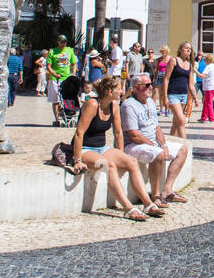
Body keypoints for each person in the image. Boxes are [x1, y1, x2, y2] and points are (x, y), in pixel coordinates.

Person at [72, 77, 165, 221]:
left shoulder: (114, 105)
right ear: (109, 92)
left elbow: (118, 132)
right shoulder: (92, 104)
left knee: (132, 162)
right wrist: (77, 159)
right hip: (85, 148)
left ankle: (148, 204)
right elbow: (79, 133)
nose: (122, 91)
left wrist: (121, 154)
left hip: (101, 147)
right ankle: (128, 208)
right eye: (118, 89)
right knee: (108, 165)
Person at [119, 74, 190, 203]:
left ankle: (167, 190)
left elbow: (156, 127)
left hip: (151, 143)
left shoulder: (150, 102)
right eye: (147, 85)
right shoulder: (128, 106)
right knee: (158, 154)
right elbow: (134, 134)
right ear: (135, 88)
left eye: (151, 84)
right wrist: (154, 146)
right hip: (133, 145)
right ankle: (155, 195)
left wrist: (163, 145)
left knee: (182, 150)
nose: (151, 87)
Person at [164, 42, 198, 137]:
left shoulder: (190, 65)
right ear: (180, 49)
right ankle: (185, 146)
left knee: (176, 123)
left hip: (184, 96)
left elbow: (191, 84)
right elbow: (166, 78)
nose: (188, 50)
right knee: (181, 120)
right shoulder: (174, 61)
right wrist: (165, 97)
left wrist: (195, 98)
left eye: (190, 49)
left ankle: (170, 144)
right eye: (186, 48)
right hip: (173, 94)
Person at [46, 36, 80, 123]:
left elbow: (73, 63)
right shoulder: (52, 52)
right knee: (56, 99)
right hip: (55, 78)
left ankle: (67, 114)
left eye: (64, 42)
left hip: (66, 78)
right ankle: (57, 119)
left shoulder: (69, 50)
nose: (63, 44)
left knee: (66, 97)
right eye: (61, 42)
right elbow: (49, 67)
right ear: (58, 42)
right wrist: (55, 74)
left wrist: (73, 73)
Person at [199, 53, 214, 123]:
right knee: (206, 102)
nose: (204, 61)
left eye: (205, 59)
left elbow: (202, 76)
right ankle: (204, 117)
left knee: (208, 103)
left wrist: (195, 71)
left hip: (209, 87)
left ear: (207, 60)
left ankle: (211, 118)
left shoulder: (208, 67)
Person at [153, 46, 171, 114]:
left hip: (167, 76)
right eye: (162, 51)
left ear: (167, 52)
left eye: (164, 51)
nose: (163, 53)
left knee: (166, 94)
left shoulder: (170, 59)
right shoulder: (158, 59)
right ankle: (161, 109)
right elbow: (156, 69)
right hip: (160, 76)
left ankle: (167, 109)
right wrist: (154, 78)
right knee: (160, 94)